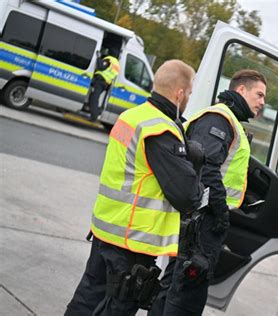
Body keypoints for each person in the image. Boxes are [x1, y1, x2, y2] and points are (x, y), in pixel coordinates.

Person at [65, 59, 205, 315]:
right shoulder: (160, 130)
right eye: (190, 94)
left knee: (88, 298)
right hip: (131, 243)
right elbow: (187, 195)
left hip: (106, 230)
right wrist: (194, 163)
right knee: (116, 308)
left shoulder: (132, 116)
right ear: (180, 94)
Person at [150, 69, 267, 315]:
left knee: (175, 285)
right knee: (186, 296)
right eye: (259, 94)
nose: (262, 102)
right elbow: (207, 170)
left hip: (202, 217)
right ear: (241, 90)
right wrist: (220, 212)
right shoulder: (219, 119)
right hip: (203, 221)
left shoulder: (229, 120)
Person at [88, 49, 120, 121]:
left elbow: (101, 66)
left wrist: (99, 57)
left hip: (100, 82)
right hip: (105, 83)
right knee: (94, 98)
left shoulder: (109, 60)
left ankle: (94, 116)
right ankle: (96, 113)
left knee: (94, 99)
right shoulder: (117, 63)